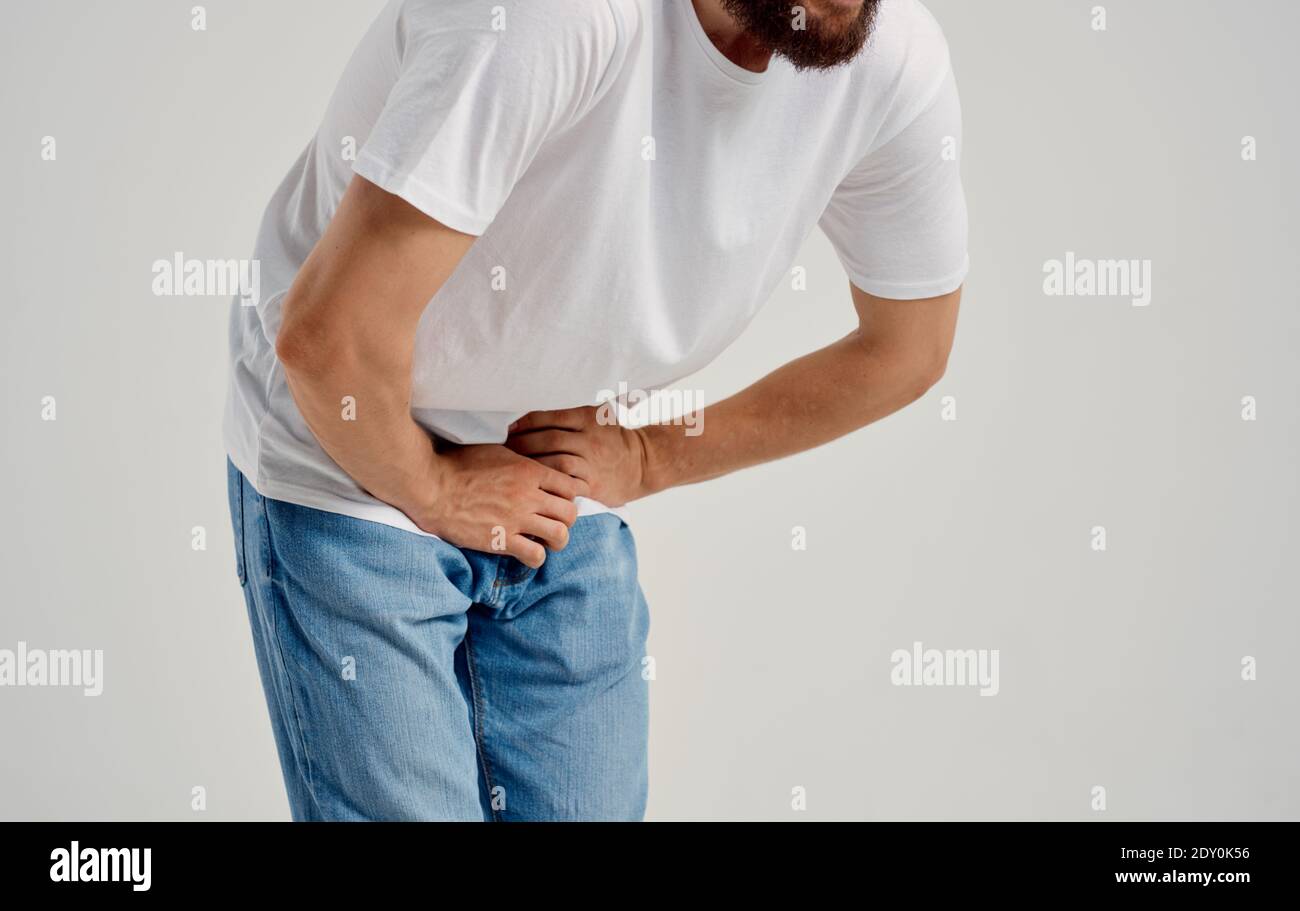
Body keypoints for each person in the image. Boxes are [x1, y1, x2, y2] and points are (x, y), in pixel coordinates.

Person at [224, 0, 967, 821]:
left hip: (544, 473)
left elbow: (908, 348)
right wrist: (433, 490)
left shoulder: (891, 58)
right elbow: (330, 339)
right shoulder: (561, 16)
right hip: (352, 444)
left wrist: (651, 455)